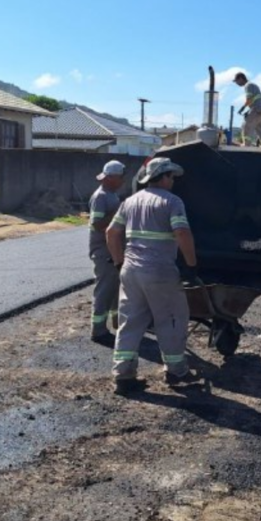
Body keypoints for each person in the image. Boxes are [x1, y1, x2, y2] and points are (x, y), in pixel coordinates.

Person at [106, 157, 200, 395]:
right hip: (159, 271)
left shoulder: (130, 201)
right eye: (172, 177)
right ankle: (176, 372)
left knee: (130, 322)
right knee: (171, 319)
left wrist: (118, 262)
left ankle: (123, 376)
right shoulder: (172, 201)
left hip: (130, 270)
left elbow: (111, 232)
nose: (173, 182)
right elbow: (182, 232)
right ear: (164, 176)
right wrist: (191, 265)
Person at [88, 160, 126, 344]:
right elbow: (97, 224)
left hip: (113, 250)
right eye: (120, 177)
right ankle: (98, 329)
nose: (122, 181)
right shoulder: (101, 197)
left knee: (114, 289)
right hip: (103, 251)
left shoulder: (112, 195)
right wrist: (119, 213)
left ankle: (117, 322)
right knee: (104, 290)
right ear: (110, 178)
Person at [233, 72, 261, 146]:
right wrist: (248, 111)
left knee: (245, 125)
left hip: (256, 109)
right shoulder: (253, 85)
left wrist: (242, 108)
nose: (236, 83)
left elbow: (249, 99)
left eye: (236, 81)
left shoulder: (248, 86)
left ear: (240, 79)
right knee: (258, 128)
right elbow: (253, 99)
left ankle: (246, 144)